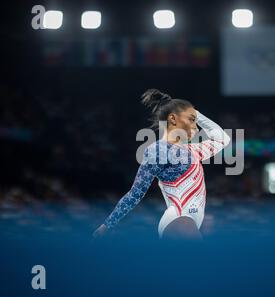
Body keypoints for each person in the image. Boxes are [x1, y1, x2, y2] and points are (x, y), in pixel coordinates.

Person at [93, 89, 230, 239]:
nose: (196, 128)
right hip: (179, 221)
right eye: (192, 120)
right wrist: (108, 224)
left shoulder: (193, 150)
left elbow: (223, 139)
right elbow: (135, 193)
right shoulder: (158, 150)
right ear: (173, 119)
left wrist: (194, 113)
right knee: (204, 259)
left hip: (190, 222)